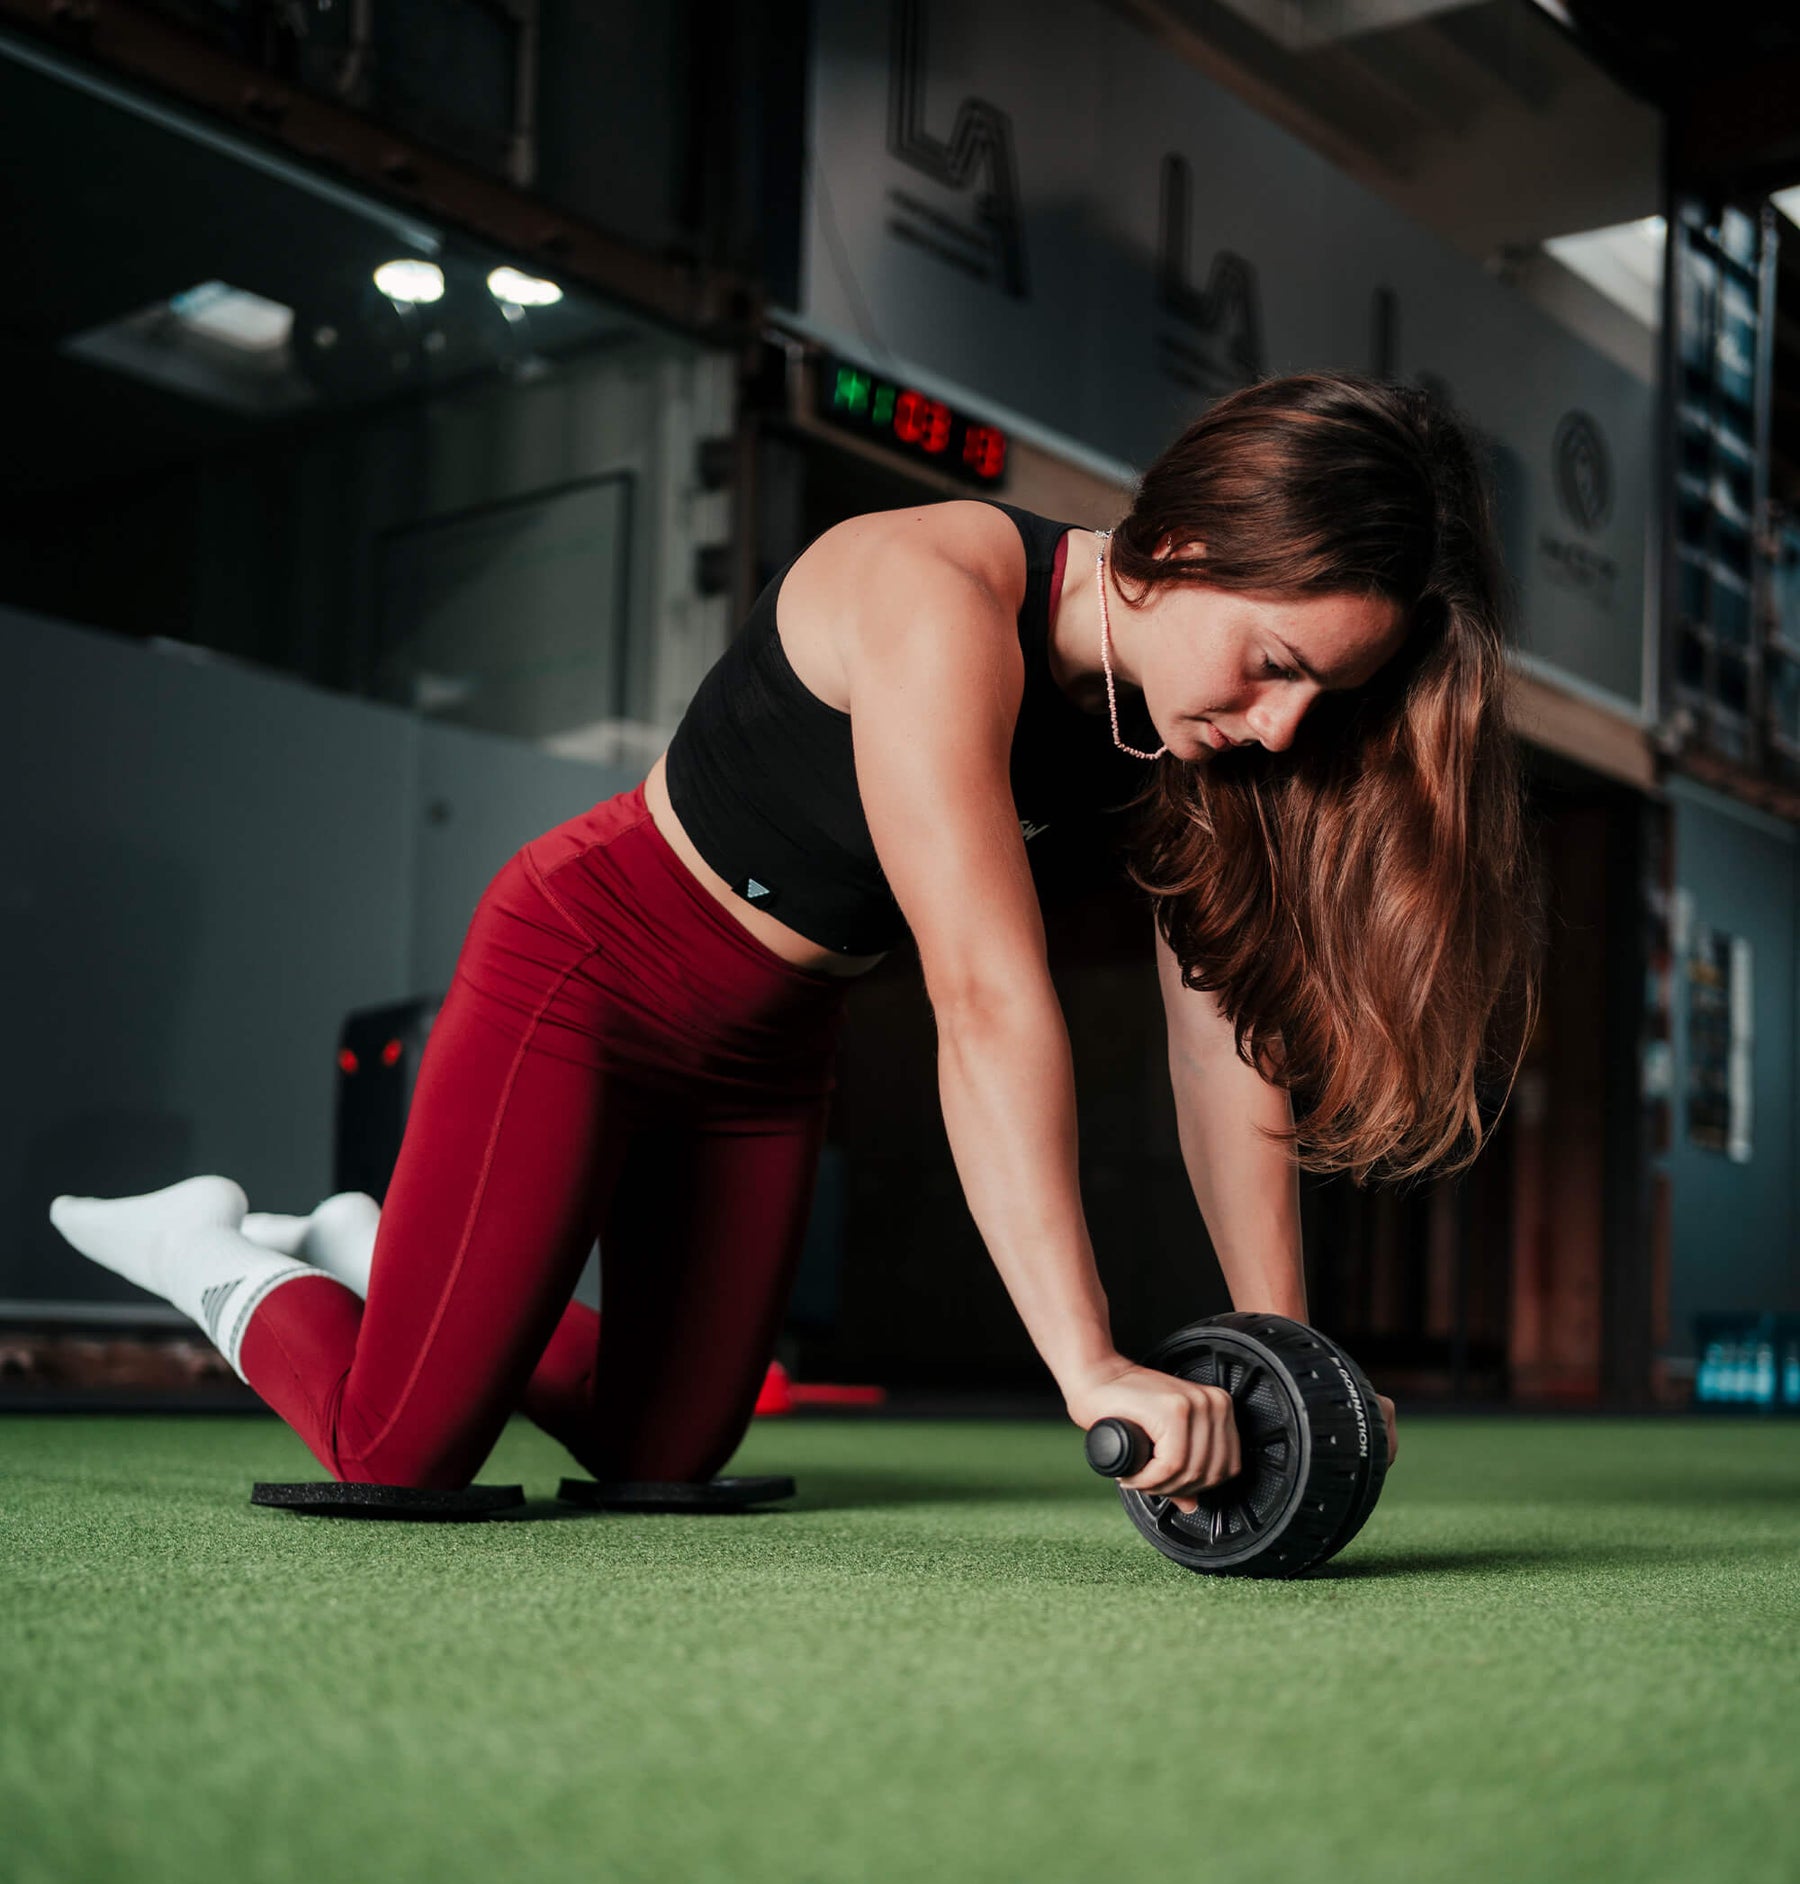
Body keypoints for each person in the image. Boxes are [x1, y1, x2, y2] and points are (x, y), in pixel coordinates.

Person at [51, 372, 1532, 1507]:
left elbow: (1222, 1044)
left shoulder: (1179, 741)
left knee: (665, 1457)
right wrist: (1089, 1362)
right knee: (398, 1452)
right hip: (588, 967)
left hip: (764, 1053)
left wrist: (1291, 1357)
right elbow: (985, 1000)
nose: (1280, 725)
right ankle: (210, 1251)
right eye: (1276, 664)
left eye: (1317, 702)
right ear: (1188, 538)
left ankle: (382, 1256)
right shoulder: (933, 598)